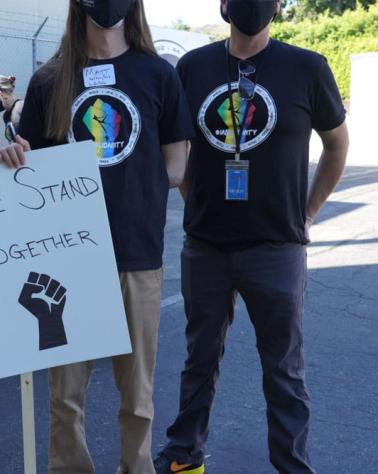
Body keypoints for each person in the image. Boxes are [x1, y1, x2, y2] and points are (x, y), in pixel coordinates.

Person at [0, 1, 194, 472]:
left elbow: (175, 166)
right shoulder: (51, 80)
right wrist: (11, 159)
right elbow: (32, 174)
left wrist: (130, 191)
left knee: (138, 396)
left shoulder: (158, 75)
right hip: (68, 260)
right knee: (65, 398)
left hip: (136, 255)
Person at [154, 1, 349, 473]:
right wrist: (193, 196)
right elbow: (176, 145)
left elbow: (337, 143)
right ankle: (185, 457)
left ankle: (291, 466)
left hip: (276, 248)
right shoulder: (193, 67)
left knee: (284, 370)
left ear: (278, 6)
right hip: (207, 246)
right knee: (199, 359)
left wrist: (309, 211)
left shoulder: (307, 67)